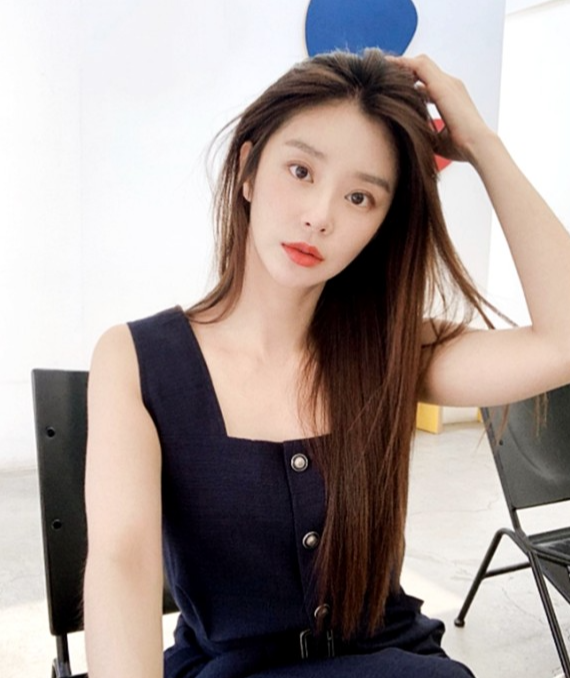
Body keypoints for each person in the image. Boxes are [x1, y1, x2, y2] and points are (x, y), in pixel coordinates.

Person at [83, 49, 570, 678]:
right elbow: (121, 562)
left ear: (381, 225)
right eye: (301, 171)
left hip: (397, 664)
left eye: (360, 197)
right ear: (247, 170)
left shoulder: (393, 350)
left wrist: (481, 144)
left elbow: (561, 343)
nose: (320, 215)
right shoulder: (138, 360)